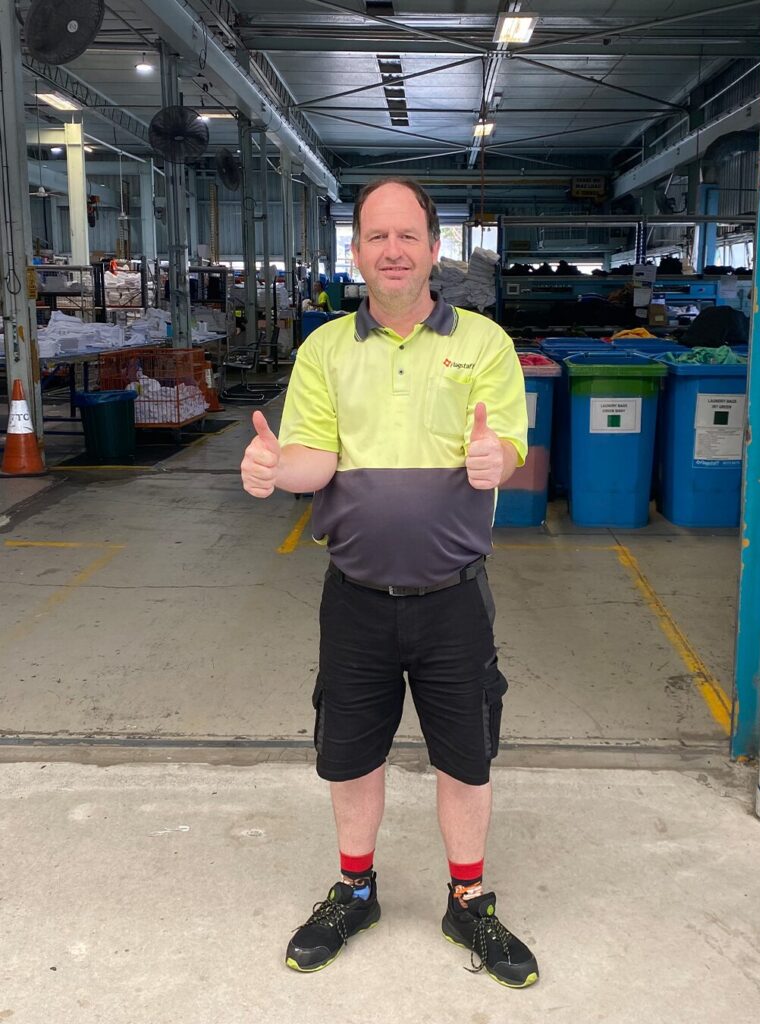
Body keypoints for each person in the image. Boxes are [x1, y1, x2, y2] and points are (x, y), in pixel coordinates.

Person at [240, 178, 538, 988]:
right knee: (350, 756)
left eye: (407, 235)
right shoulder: (326, 349)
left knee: (465, 759)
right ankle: (356, 888)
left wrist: (496, 460)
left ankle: (467, 899)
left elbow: (507, 443)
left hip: (452, 599)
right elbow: (314, 458)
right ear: (357, 251)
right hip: (356, 599)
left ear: (433, 249)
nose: (393, 250)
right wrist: (274, 469)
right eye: (377, 236)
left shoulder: (482, 344)